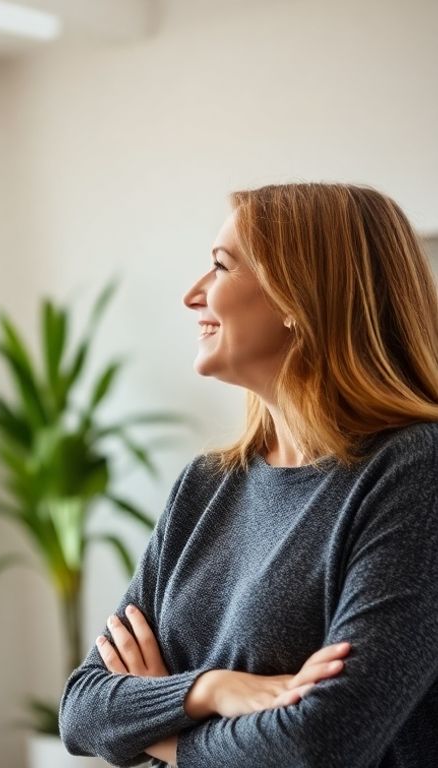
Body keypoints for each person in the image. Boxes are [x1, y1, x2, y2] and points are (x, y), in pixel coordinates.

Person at [57, 183, 438, 766]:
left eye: (220, 267)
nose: (192, 295)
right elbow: (83, 708)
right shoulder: (206, 484)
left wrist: (161, 733)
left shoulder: (415, 469)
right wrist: (211, 689)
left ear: (299, 298)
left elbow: (322, 741)